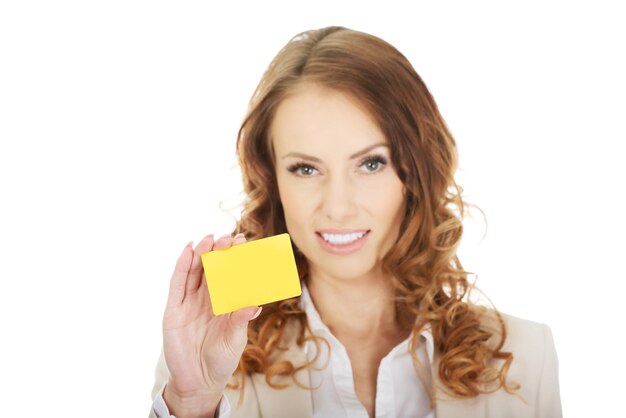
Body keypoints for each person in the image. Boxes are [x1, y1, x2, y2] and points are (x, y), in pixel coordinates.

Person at [149, 26, 562, 418]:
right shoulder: (216, 347)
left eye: (369, 163)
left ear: (414, 174)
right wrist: (193, 402)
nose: (338, 207)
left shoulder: (526, 356)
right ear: (272, 180)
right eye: (305, 169)